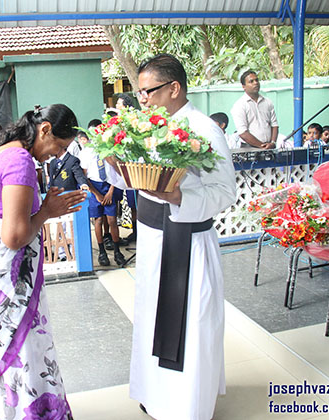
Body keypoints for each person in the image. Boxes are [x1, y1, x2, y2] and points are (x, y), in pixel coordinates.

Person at [107, 54, 236, 420]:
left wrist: (180, 197)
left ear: (174, 88)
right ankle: (155, 394)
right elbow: (136, 181)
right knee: (151, 316)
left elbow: (226, 191)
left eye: (148, 91)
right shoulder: (148, 127)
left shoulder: (204, 129)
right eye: (140, 91)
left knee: (190, 324)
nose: (142, 99)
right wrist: (116, 167)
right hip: (152, 237)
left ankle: (186, 405)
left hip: (188, 240)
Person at [0, 104, 86, 420]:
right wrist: (47, 211)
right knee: (25, 355)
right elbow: (14, 237)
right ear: (45, 130)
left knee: (18, 357)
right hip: (4, 285)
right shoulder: (20, 161)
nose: (57, 155)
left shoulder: (4, 152)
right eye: (58, 146)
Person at [230, 70, 279, 149]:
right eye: (251, 81)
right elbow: (243, 133)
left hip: (269, 147)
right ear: (243, 86)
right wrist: (262, 146)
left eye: (256, 80)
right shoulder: (239, 105)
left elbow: (274, 125)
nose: (255, 83)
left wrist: (273, 143)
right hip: (249, 148)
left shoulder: (267, 102)